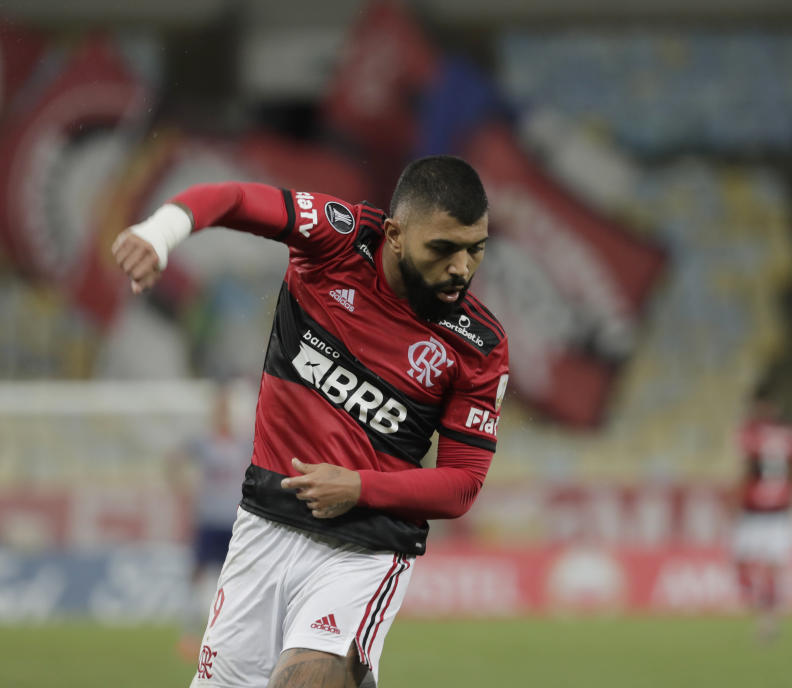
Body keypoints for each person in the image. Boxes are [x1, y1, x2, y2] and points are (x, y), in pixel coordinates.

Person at [112, 155, 509, 688]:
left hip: (365, 549)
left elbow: (462, 485)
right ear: (394, 234)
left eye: (475, 249)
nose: (461, 268)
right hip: (263, 525)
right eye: (442, 249)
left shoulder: (477, 345)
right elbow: (232, 199)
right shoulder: (337, 238)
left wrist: (360, 487)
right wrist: (160, 233)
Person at [168, 380, 253, 662]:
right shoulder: (204, 442)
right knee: (198, 574)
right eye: (219, 411)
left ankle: (236, 635)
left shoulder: (242, 443)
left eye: (226, 411)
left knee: (239, 577)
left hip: (234, 520)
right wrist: (180, 487)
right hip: (208, 519)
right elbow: (175, 459)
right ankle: (189, 633)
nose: (223, 416)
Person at [729, 384, 792, 641]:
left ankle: (767, 619)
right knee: (760, 566)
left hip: (758, 512)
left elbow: (745, 468)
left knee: (757, 566)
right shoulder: (790, 434)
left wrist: (734, 498)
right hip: (778, 512)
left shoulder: (750, 434)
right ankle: (766, 612)